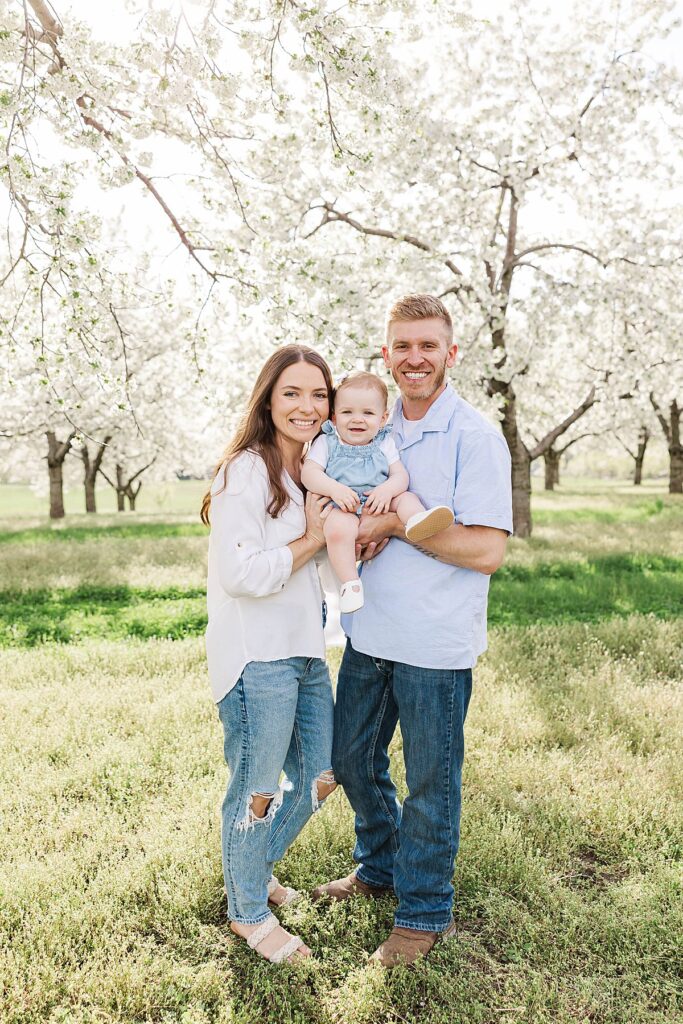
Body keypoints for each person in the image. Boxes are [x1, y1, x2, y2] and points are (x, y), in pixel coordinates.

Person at [312, 294, 513, 967]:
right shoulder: (368, 424)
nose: (414, 358)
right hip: (368, 635)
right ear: (384, 354)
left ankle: (423, 913)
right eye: (402, 346)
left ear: (451, 354)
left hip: (433, 646)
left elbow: (486, 552)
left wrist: (396, 524)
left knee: (431, 783)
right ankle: (377, 868)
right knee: (352, 761)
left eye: (428, 345)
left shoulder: (474, 437)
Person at [201, 344, 338, 964]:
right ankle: (248, 911)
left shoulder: (311, 472)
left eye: (319, 394)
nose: (307, 406)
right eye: (292, 393)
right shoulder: (245, 471)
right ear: (268, 399)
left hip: (306, 649)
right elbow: (240, 573)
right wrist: (311, 539)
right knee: (256, 788)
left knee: (320, 775)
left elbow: (324, 570)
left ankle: (247, 870)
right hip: (258, 657)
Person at [301, 371, 454, 613]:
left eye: (368, 413)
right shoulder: (328, 442)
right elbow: (309, 473)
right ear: (333, 416)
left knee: (406, 497)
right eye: (347, 412)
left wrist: (386, 491)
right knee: (339, 530)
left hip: (377, 501)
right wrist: (334, 488)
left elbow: (400, 476)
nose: (357, 420)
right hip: (343, 506)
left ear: (383, 419)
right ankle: (350, 584)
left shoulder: (384, 442)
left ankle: (416, 519)